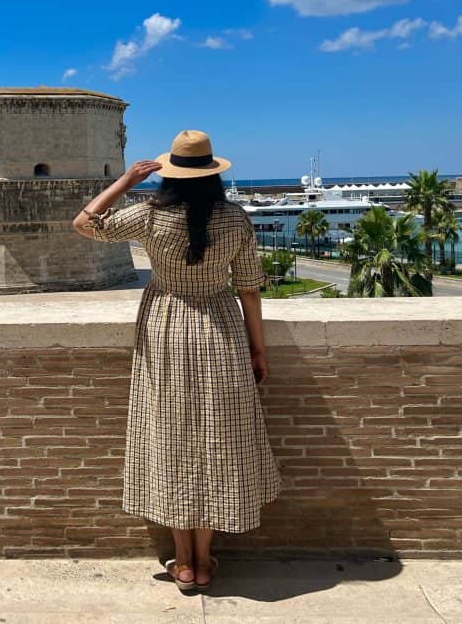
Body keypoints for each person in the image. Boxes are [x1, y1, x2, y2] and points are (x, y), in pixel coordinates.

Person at [72, 130, 282, 592]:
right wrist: (258, 349)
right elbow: (249, 288)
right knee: (215, 440)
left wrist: (127, 179)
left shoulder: (149, 216)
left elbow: (85, 223)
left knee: (170, 438)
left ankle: (182, 562)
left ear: (169, 173)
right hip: (221, 331)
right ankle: (205, 562)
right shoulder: (236, 220)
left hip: (165, 328)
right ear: (213, 175)